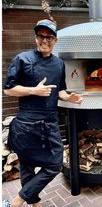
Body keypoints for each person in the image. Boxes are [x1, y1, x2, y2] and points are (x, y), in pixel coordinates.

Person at [3, 19, 85, 207]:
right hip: (26, 122)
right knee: (27, 166)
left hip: (48, 122)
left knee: (55, 164)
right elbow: (8, 90)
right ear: (35, 37)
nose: (44, 40)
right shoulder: (22, 59)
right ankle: (35, 204)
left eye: (49, 37)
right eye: (41, 36)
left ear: (55, 41)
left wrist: (69, 98)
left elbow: (60, 90)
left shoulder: (59, 64)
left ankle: (17, 201)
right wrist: (33, 90)